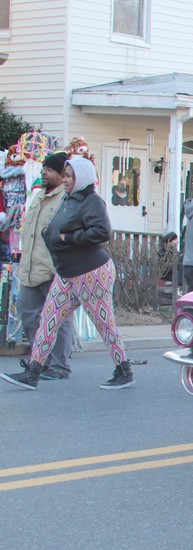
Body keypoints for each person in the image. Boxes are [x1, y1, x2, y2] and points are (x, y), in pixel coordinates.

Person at [1, 156, 134, 390]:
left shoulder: (92, 201)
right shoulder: (70, 199)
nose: (65, 180)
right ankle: (33, 372)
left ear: (82, 177)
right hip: (66, 273)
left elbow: (102, 231)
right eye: (65, 175)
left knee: (105, 324)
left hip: (90, 272)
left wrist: (68, 239)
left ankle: (124, 370)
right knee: (48, 320)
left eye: (70, 176)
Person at [14, 151, 74, 380]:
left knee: (60, 319)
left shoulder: (66, 199)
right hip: (31, 268)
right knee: (28, 313)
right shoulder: (38, 196)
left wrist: (59, 265)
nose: (44, 173)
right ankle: (41, 361)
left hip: (54, 270)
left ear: (61, 174)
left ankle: (59, 366)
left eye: (49, 170)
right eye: (43, 170)